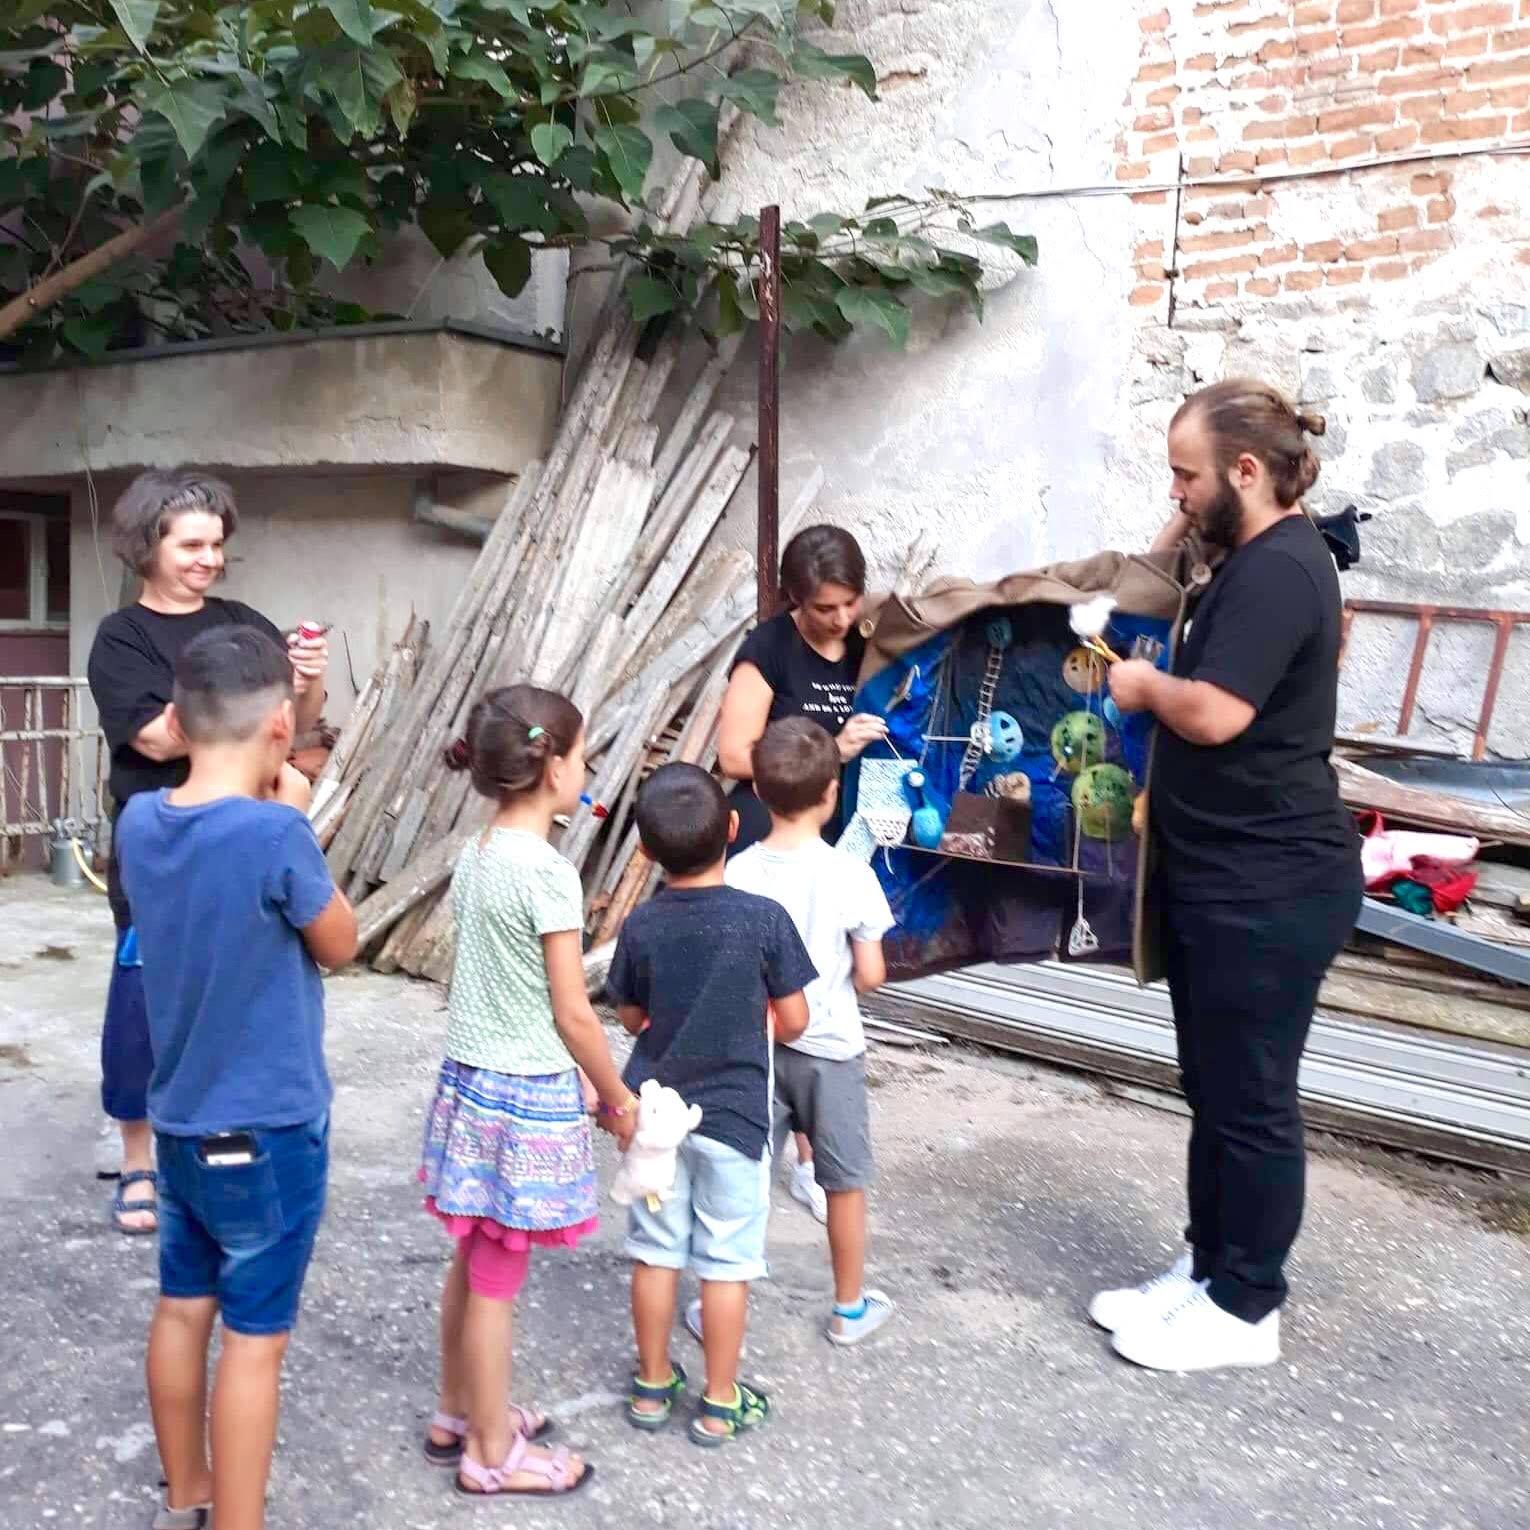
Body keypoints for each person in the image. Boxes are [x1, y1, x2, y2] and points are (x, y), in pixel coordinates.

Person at [1097, 379, 1363, 1374]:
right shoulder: (1247, 558)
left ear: (1244, 473)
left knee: (1250, 1099)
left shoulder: (1282, 571)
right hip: (1225, 877)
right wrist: (1178, 517)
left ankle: (1249, 1307)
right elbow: (1163, 563)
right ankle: (1208, 1270)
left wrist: (1139, 686)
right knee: (1212, 1088)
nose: (1176, 492)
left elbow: (1213, 714)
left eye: (1187, 474)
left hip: (1272, 883)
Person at [114, 627, 357, 1530]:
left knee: (184, 1308)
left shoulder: (140, 823)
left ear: (175, 721)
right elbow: (340, 942)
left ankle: (187, 1492)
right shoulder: (274, 833)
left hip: (178, 1123)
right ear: (280, 729)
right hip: (269, 1130)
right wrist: (293, 812)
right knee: (255, 1339)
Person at [87, 470, 329, 1235]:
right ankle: (137, 1156)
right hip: (163, 838)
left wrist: (305, 686)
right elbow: (155, 737)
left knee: (251, 987)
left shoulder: (241, 619)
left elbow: (292, 721)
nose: (208, 559)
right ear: (146, 547)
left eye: (217, 545)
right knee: (146, 995)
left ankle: (225, 1130)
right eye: (191, 544)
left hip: (251, 832)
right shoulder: (120, 638)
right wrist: (239, 717)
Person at [420, 685, 634, 1500]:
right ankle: (488, 1451)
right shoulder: (547, 873)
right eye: (583, 757)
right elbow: (575, 1013)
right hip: (521, 1097)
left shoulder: (477, 853)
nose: (587, 774)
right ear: (550, 769)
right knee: (498, 1280)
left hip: (472, 1087)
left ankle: (459, 1409)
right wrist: (616, 1097)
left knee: (473, 1262)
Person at [607, 763, 816, 1447]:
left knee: (655, 1253)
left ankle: (650, 1385)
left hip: (655, 1117)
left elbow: (632, 1013)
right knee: (726, 1262)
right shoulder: (764, 920)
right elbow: (796, 1020)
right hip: (734, 1118)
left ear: (645, 851)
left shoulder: (640, 925)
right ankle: (720, 1399)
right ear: (733, 829)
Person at [716, 524, 886, 1221]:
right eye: (825, 608)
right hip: (770, 843)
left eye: (850, 603)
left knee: (825, 1006)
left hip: (839, 845)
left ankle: (812, 1155)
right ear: (794, 599)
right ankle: (764, 1146)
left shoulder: (875, 644)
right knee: (770, 1004)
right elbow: (733, 756)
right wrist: (832, 750)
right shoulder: (767, 651)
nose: (841, 619)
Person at [715, 717, 897, 1346]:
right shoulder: (852, 876)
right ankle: (848, 1308)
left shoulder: (736, 874)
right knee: (843, 1183)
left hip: (753, 1052)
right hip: (830, 1052)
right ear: (831, 794)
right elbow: (870, 975)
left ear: (760, 793)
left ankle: (717, 1301)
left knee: (739, 1175)